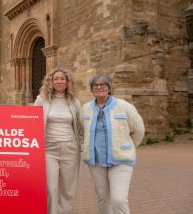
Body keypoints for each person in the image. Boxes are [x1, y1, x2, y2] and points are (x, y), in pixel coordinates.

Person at [82, 73, 145, 214]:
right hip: (96, 160)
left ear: (109, 87)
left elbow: (138, 130)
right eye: (95, 85)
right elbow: (82, 132)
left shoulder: (124, 106)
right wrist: (85, 147)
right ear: (91, 89)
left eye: (103, 84)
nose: (99, 87)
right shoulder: (85, 109)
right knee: (103, 198)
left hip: (121, 159)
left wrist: (127, 147)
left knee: (119, 199)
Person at [34, 67, 82, 214]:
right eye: (56, 79)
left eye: (62, 79)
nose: (59, 81)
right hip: (49, 149)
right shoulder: (41, 100)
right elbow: (33, 122)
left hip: (70, 148)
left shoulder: (74, 101)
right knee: (51, 187)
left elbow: (80, 125)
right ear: (51, 81)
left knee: (68, 188)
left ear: (67, 82)